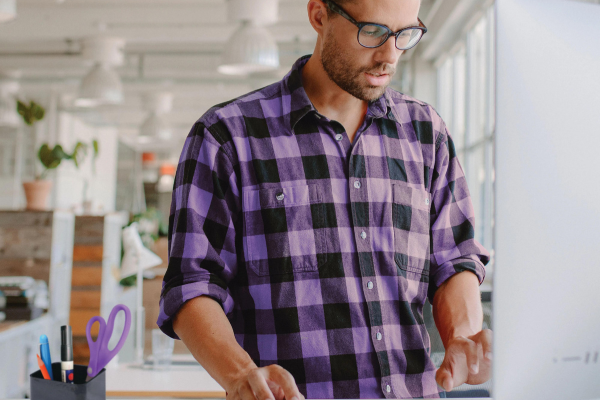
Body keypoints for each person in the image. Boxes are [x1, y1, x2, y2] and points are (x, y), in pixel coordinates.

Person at [157, 0, 492, 398]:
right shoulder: (226, 137)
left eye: (406, 34)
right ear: (319, 16)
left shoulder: (425, 132)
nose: (390, 55)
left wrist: (463, 336)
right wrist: (239, 374)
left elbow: (454, 258)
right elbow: (192, 284)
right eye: (373, 32)